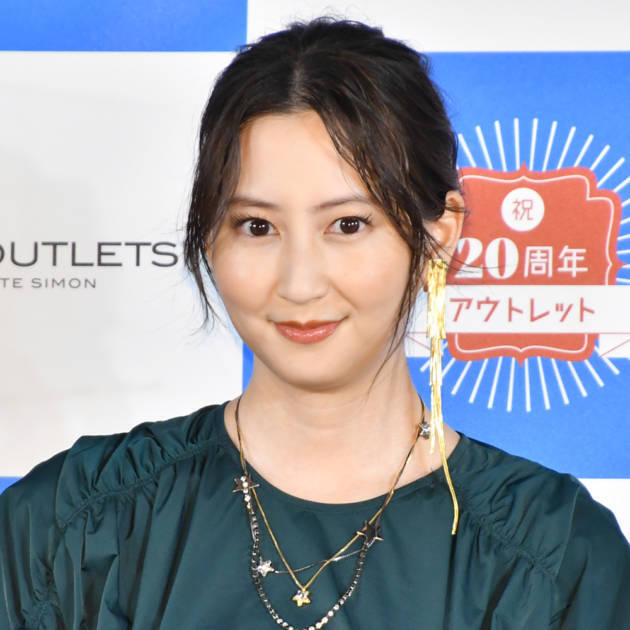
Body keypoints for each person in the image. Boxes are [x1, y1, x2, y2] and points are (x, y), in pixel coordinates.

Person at [1, 17, 629, 630]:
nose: (300, 284)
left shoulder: (552, 558)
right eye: (257, 226)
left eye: (348, 225)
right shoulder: (74, 526)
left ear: (438, 237)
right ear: (210, 237)